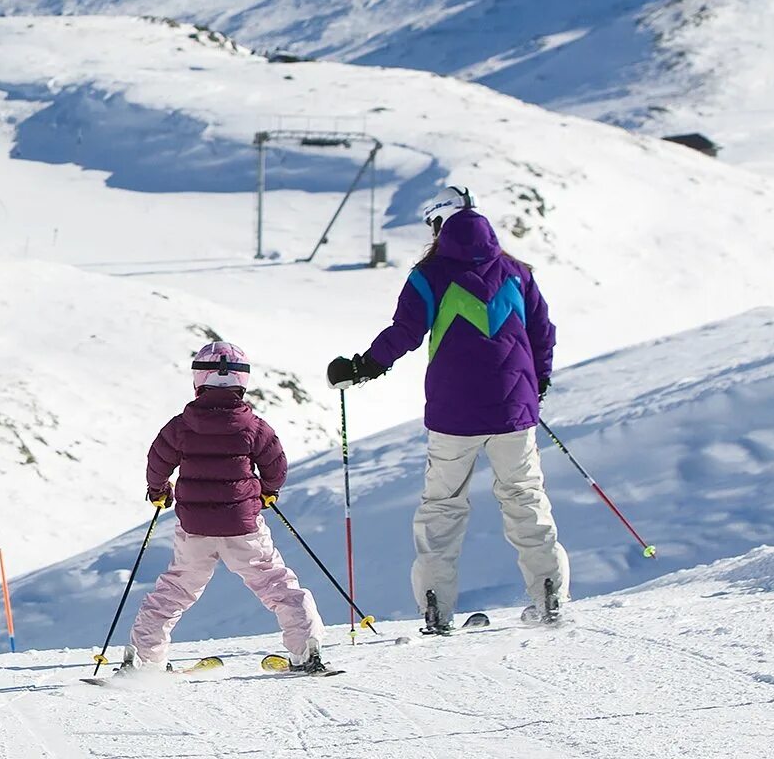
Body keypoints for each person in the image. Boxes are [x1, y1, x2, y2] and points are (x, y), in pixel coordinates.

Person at [328, 186, 565, 633]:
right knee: (524, 497)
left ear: (439, 225)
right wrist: (539, 381)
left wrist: (363, 367)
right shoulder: (517, 272)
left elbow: (405, 332)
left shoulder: (429, 275)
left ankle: (437, 609)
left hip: (454, 415)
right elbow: (542, 333)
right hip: (514, 412)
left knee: (442, 506)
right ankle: (549, 595)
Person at [118, 342, 326, 674]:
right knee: (276, 583)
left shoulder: (181, 425)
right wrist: (268, 492)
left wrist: (158, 490)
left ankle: (145, 660)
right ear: (242, 383)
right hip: (242, 525)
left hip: (195, 527)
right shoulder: (254, 426)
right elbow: (276, 465)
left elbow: (157, 460)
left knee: (175, 589)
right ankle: (306, 649)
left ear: (198, 381)